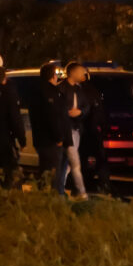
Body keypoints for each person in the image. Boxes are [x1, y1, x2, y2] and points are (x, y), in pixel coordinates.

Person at [28, 62, 70, 187]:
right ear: (53, 76)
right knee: (52, 175)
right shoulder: (50, 92)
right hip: (51, 141)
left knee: (45, 171)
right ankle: (50, 196)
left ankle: (43, 194)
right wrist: (59, 138)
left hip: (40, 138)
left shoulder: (36, 91)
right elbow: (53, 117)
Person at [56, 62, 89, 198]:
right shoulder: (60, 88)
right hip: (66, 129)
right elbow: (56, 109)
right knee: (74, 162)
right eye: (81, 72)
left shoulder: (78, 89)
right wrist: (67, 113)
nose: (83, 74)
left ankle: (59, 189)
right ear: (72, 73)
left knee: (67, 163)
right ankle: (81, 192)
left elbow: (86, 106)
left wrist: (80, 112)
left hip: (76, 129)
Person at [79, 71, 111, 194]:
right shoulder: (94, 90)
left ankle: (86, 184)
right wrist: (103, 128)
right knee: (99, 158)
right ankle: (104, 184)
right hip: (94, 131)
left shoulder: (81, 91)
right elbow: (100, 111)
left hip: (85, 131)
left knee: (84, 158)